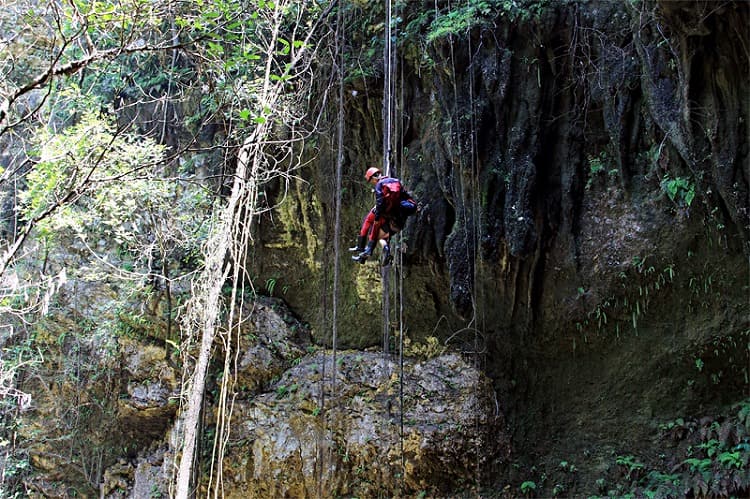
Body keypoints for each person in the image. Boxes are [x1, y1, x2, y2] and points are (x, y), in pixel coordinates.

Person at [350, 167, 417, 265]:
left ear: (373, 177)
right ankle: (365, 254)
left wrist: (377, 216)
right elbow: (404, 195)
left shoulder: (379, 185)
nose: (372, 182)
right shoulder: (396, 181)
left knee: (370, 223)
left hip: (387, 213)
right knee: (380, 235)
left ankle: (363, 249)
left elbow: (380, 202)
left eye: (371, 180)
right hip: (398, 216)